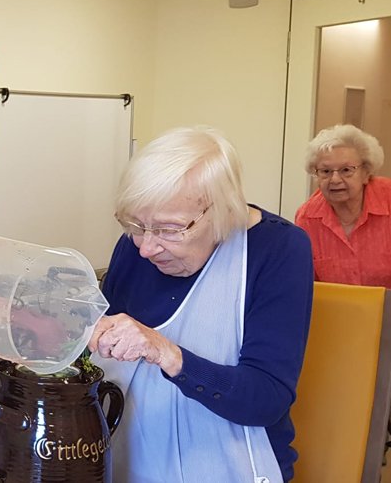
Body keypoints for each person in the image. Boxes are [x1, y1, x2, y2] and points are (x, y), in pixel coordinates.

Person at [88, 127, 313, 482]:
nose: (146, 247)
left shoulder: (278, 250)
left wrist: (166, 353)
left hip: (230, 466)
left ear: (222, 212)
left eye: (169, 229)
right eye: (136, 225)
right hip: (128, 461)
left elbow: (267, 397)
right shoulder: (134, 247)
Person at [294, 124, 391, 287]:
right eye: (325, 171)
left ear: (366, 173)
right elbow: (306, 283)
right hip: (336, 310)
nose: (335, 179)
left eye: (346, 170)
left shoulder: (387, 199)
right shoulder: (307, 218)